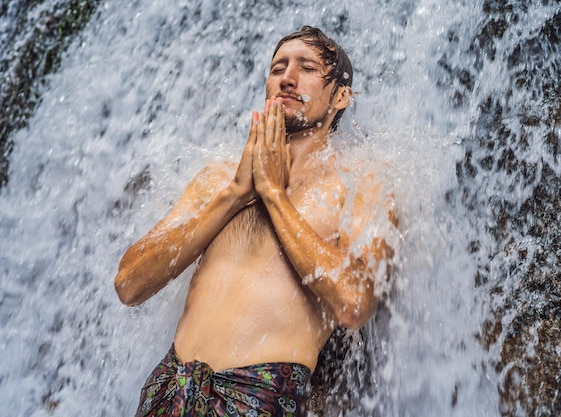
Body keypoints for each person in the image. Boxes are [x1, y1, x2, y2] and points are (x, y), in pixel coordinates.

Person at [115, 25, 396, 417]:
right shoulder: (217, 179)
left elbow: (353, 304)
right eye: (278, 67)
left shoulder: (361, 183)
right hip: (168, 391)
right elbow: (128, 285)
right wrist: (235, 195)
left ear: (342, 96)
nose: (287, 77)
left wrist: (274, 196)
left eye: (308, 68)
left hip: (262, 397)